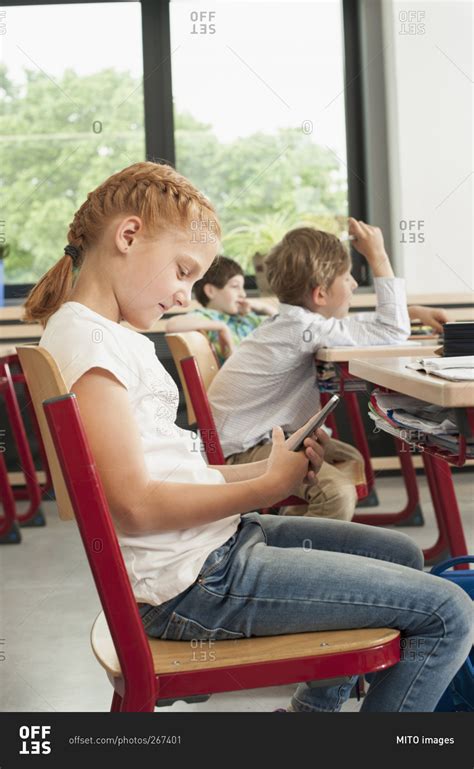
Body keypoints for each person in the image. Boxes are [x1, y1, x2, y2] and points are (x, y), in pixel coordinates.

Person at [23, 162, 472, 713]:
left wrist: (263, 471)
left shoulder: (102, 335)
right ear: (128, 235)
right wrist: (262, 488)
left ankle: (312, 716)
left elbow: (167, 473)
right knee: (450, 613)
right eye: (182, 271)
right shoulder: (91, 347)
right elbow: (136, 507)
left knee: (402, 550)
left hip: (210, 552)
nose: (185, 295)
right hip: (196, 586)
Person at [165, 255, 276, 364]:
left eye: (243, 288)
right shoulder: (208, 317)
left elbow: (284, 328)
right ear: (210, 291)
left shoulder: (247, 318)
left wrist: (264, 307)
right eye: (235, 286)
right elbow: (172, 324)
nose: (243, 293)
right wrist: (221, 327)